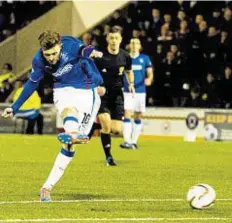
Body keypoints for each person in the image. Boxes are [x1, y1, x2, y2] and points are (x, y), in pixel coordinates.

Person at [2, 30, 104, 202]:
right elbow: (32, 84)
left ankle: (72, 136)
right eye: (47, 54)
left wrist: (92, 53)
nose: (51, 57)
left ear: (60, 46)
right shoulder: (39, 60)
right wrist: (15, 107)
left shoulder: (70, 44)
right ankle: (46, 188)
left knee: (72, 146)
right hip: (62, 88)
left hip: (87, 91)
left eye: (54, 53)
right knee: (66, 113)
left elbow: (83, 51)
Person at [90, 26, 134, 165]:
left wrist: (131, 84)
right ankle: (109, 157)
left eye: (116, 38)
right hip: (102, 95)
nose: (114, 41)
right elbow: (90, 72)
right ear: (107, 38)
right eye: (111, 38)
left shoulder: (125, 56)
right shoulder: (100, 56)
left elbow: (129, 71)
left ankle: (94, 126)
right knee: (106, 125)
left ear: (120, 39)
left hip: (117, 95)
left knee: (116, 129)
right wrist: (94, 86)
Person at [120, 38, 153, 149]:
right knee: (127, 114)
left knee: (138, 116)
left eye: (136, 43)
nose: (134, 45)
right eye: (132, 43)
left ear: (140, 46)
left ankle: (133, 141)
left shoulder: (145, 58)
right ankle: (127, 141)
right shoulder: (125, 57)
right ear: (129, 45)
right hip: (127, 91)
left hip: (140, 91)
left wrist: (149, 79)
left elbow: (150, 73)